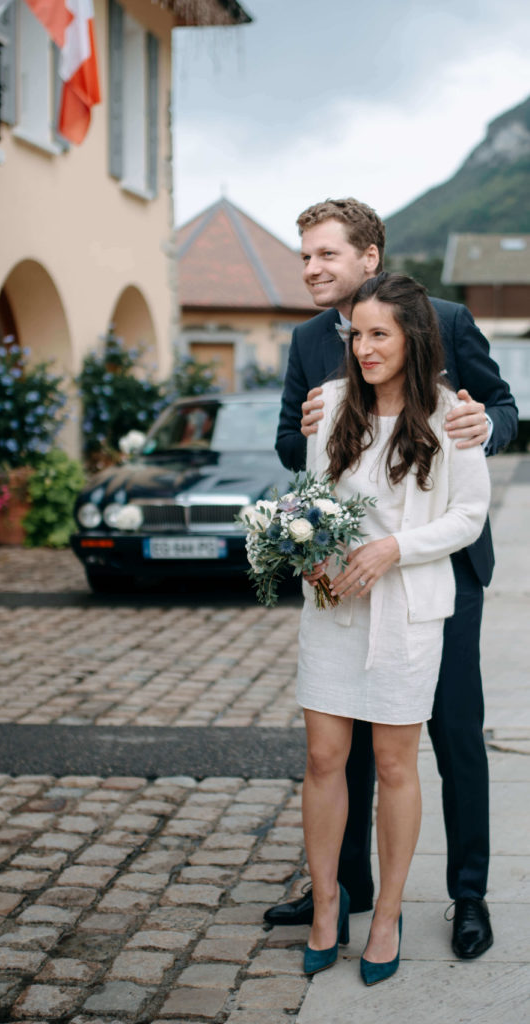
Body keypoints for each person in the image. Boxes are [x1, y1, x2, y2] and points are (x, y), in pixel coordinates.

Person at [267, 198, 518, 961]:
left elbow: (499, 406)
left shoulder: (442, 319)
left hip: (439, 576)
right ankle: (345, 887)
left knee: (446, 735)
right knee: (342, 742)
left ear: (368, 257)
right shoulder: (309, 342)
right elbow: (291, 447)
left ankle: (466, 893)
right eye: (303, 256)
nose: (311, 268)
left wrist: (484, 427)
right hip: (342, 578)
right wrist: (311, 426)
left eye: (325, 255)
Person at [297, 271, 491, 983]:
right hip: (332, 608)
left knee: (393, 764)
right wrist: (309, 555)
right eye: (357, 334)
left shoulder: (450, 415)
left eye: (380, 333)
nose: (365, 347)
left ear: (413, 337)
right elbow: (310, 498)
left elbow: (467, 516)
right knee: (322, 760)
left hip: (408, 612)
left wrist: (392, 549)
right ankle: (326, 906)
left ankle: (385, 917)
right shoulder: (331, 406)